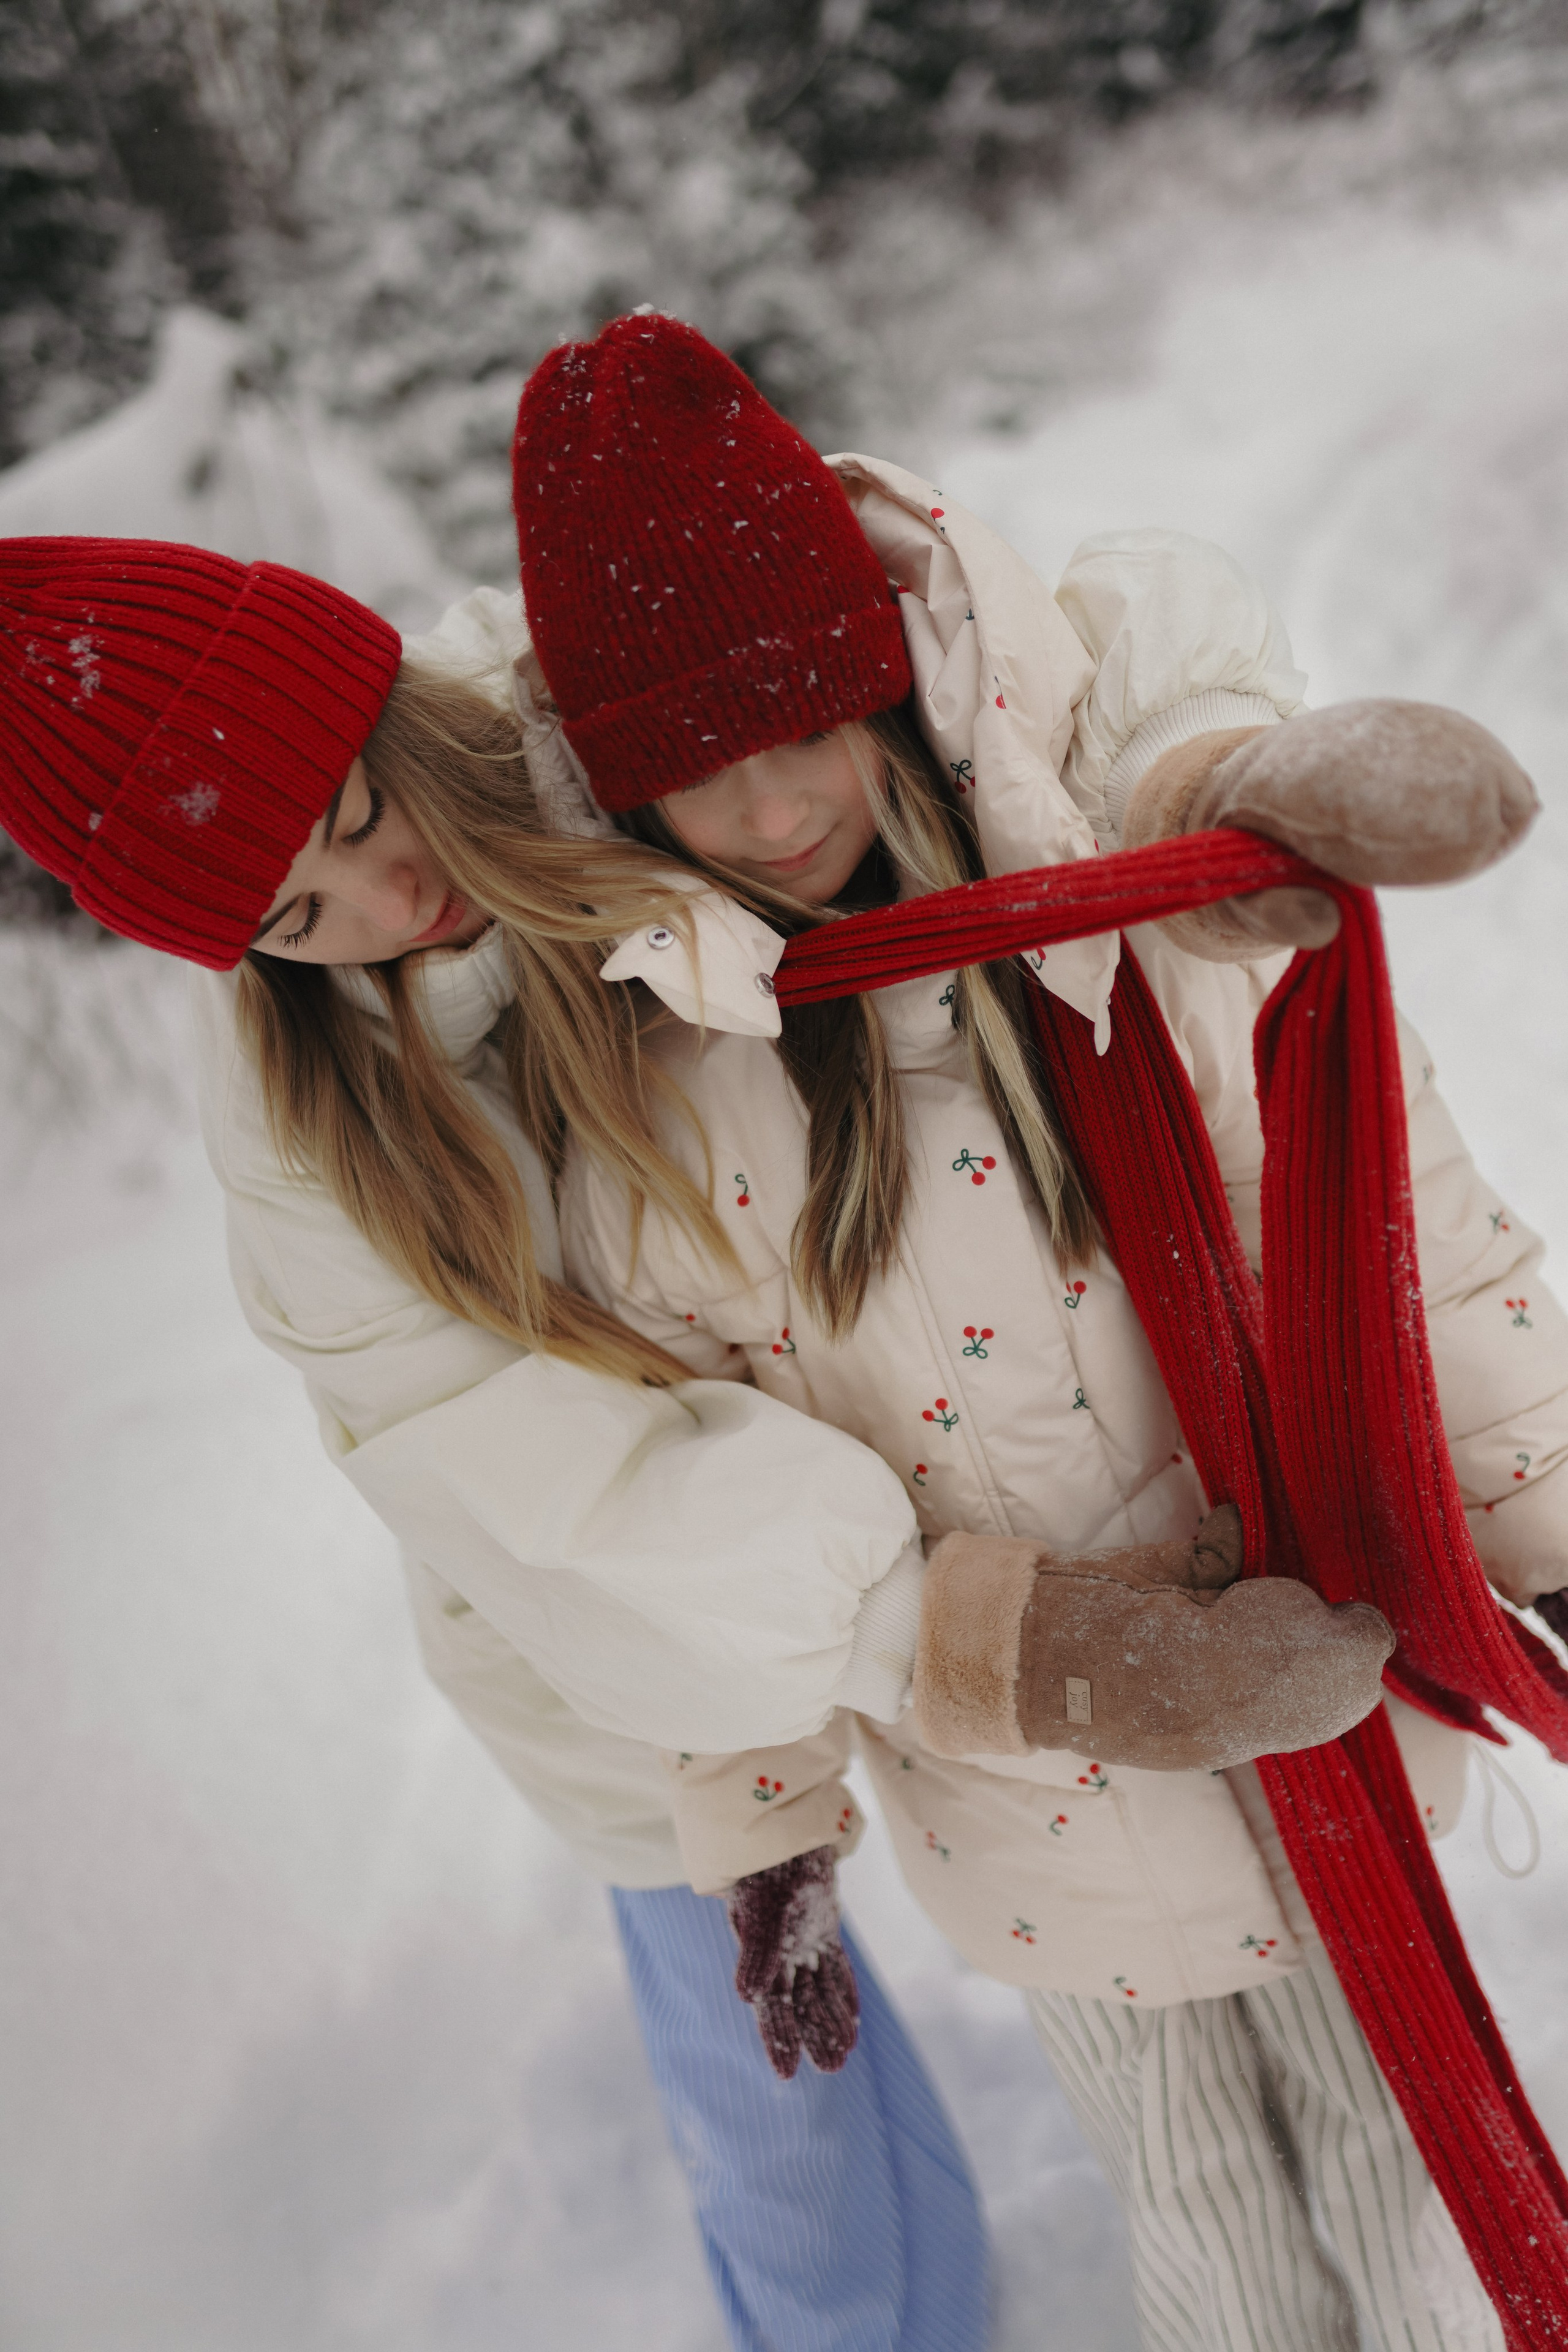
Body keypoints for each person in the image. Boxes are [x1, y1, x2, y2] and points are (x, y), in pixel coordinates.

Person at [507, 313, 1568, 2352]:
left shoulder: (1091, 898)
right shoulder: (652, 1101)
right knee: (1201, 2215)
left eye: (802, 722)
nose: (771, 805)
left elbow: (1380, 1228)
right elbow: (706, 1490)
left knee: (1402, 2168)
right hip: (1030, 1791)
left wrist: (1544, 1514)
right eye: (695, 768)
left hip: (1305, 1673)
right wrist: (762, 1819)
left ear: (876, 676)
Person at [0, 534, 995, 2352]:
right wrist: (919, 1623)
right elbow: (476, 1434)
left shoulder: (596, 711)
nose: (384, 904)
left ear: (396, 708)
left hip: (935, 1426)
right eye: (296, 918)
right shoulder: (299, 1110)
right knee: (779, 2089)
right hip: (604, 1628)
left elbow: (921, 601)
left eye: (362, 815)